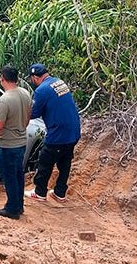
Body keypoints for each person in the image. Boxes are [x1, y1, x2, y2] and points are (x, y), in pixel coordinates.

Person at [25, 63, 81, 202]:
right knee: (64, 163)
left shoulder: (42, 90)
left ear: (34, 77)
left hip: (58, 134)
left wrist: (21, 111)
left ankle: (40, 192)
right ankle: (60, 193)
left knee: (45, 161)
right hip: (73, 131)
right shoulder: (59, 82)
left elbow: (34, 113)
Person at [0, 65, 31, 220]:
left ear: (2, 79)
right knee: (18, 175)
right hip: (21, 142)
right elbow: (28, 116)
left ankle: (12, 208)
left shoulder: (3, 101)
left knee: (9, 177)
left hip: (7, 145)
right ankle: (19, 205)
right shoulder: (25, 93)